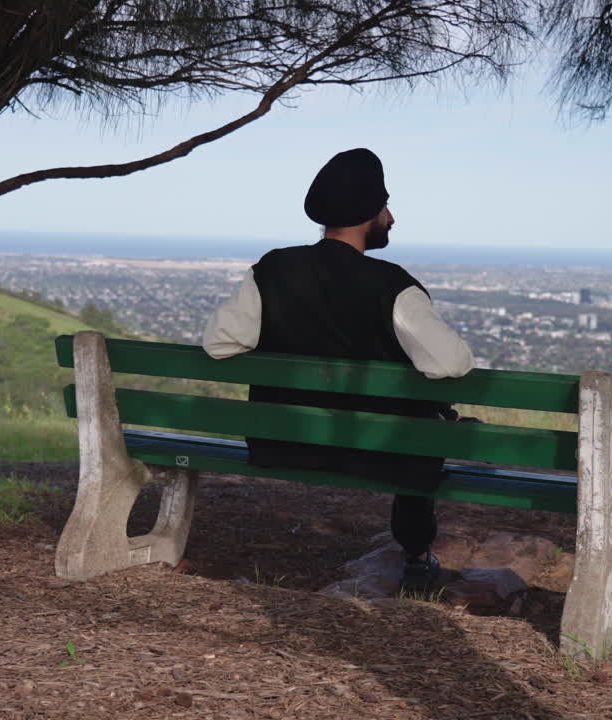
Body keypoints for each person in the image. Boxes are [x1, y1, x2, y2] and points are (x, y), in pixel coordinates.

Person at [201, 148, 474, 592]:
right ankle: (418, 556)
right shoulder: (392, 284)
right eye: (385, 206)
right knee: (423, 431)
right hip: (379, 451)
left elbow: (219, 343)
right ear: (368, 213)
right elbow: (451, 363)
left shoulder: (272, 270)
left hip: (283, 442)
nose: (391, 218)